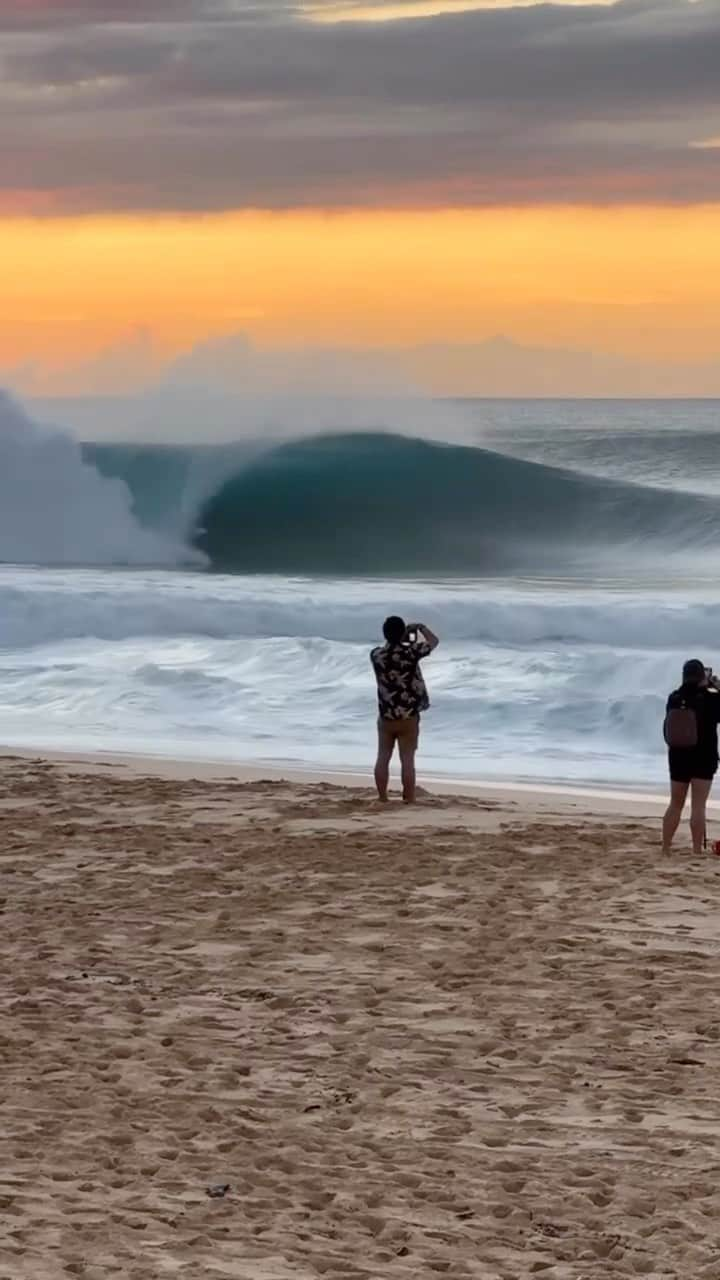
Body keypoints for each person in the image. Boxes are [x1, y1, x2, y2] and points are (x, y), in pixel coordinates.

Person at [370, 616, 439, 804]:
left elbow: (390, 649)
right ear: (402, 633)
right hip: (408, 715)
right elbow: (434, 642)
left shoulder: (376, 655)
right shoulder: (411, 653)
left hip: (386, 715)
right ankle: (408, 798)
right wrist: (420, 627)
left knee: (383, 756)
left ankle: (382, 797)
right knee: (407, 759)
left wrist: (399, 638)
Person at [662, 658, 720, 855]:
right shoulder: (712, 699)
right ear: (702, 676)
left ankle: (665, 848)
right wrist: (716, 687)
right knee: (698, 806)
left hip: (678, 757)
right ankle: (696, 850)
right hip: (704, 758)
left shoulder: (674, 698)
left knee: (675, 804)